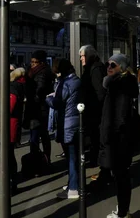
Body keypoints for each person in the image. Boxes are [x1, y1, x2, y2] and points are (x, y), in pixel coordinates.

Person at [100, 54, 137, 218]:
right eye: (107, 64)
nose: (109, 67)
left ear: (121, 67)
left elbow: (119, 116)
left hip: (118, 139)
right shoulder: (120, 84)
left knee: (121, 177)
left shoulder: (120, 86)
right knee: (121, 176)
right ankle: (123, 210)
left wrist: (109, 136)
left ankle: (122, 213)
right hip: (120, 138)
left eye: (113, 64)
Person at [46, 58, 82, 200]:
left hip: (67, 123)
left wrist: (48, 98)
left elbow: (57, 102)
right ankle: (73, 184)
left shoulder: (66, 83)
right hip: (74, 121)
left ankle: (73, 188)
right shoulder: (76, 81)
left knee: (71, 157)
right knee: (73, 156)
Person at [79, 45, 108, 177]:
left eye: (82, 56)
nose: (81, 59)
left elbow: (99, 91)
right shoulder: (93, 67)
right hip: (93, 109)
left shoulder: (95, 68)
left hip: (95, 110)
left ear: (89, 55)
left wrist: (94, 107)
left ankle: (101, 166)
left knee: (97, 137)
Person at [23, 50, 54, 165]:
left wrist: (31, 95)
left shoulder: (43, 73)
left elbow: (39, 90)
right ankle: (40, 161)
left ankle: (38, 162)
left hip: (39, 109)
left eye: (35, 62)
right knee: (38, 136)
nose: (32, 64)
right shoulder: (32, 72)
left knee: (37, 137)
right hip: (37, 109)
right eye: (31, 62)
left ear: (41, 62)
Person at [9, 67, 26, 194]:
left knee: (8, 155)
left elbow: (9, 107)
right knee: (10, 154)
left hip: (10, 124)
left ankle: (11, 183)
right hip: (15, 123)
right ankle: (12, 182)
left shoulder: (13, 87)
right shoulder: (22, 84)